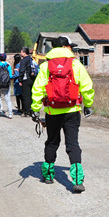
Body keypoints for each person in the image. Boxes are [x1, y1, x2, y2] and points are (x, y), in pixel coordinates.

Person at [31, 37, 94, 193]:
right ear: (66, 47)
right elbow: (86, 86)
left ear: (52, 47)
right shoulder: (76, 64)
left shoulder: (45, 66)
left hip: (52, 111)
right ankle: (78, 180)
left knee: (52, 142)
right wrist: (88, 104)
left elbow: (38, 88)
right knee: (72, 144)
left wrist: (35, 108)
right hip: (72, 110)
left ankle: (48, 175)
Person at [0, 53, 14, 118]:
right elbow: (10, 76)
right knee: (8, 99)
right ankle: (10, 113)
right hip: (7, 85)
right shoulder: (8, 65)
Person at [18, 47, 36, 118]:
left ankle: (27, 111)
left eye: (21, 52)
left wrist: (20, 79)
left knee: (26, 96)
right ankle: (32, 110)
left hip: (25, 79)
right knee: (31, 95)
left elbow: (22, 71)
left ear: (24, 52)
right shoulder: (31, 59)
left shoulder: (23, 61)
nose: (20, 53)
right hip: (32, 79)